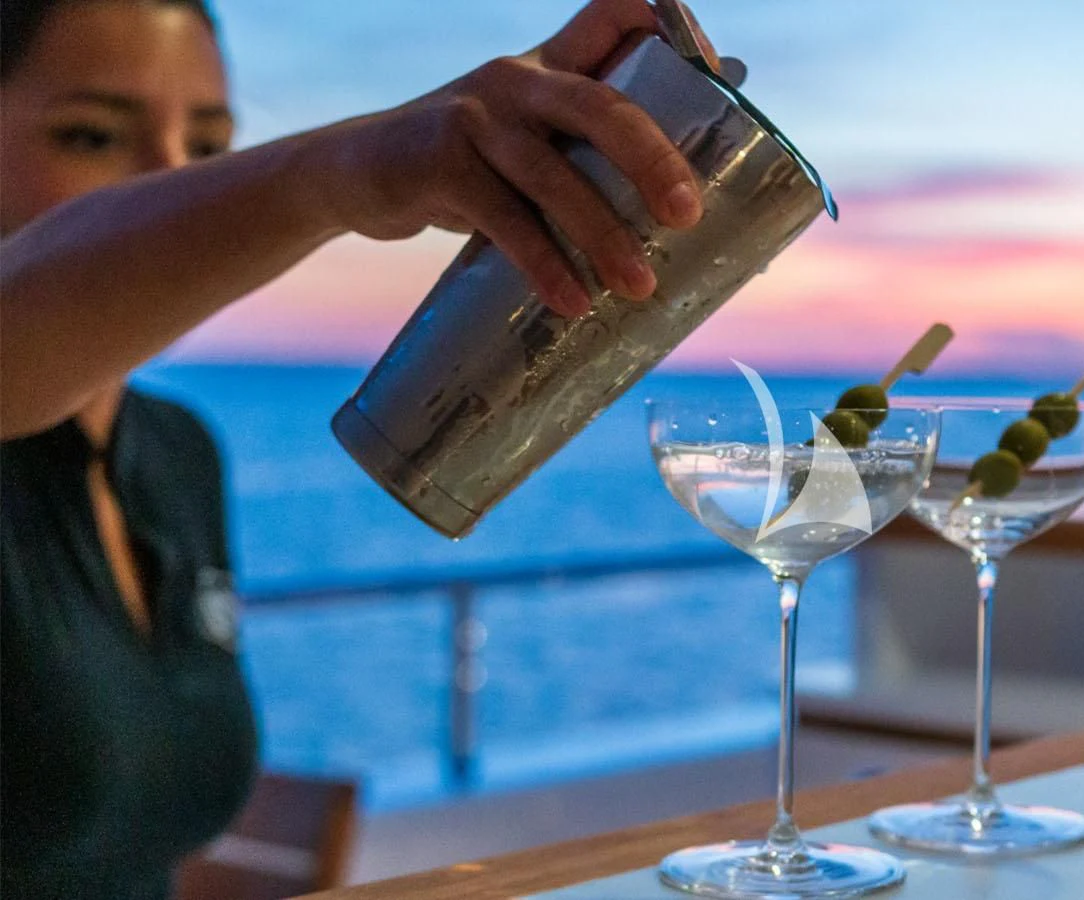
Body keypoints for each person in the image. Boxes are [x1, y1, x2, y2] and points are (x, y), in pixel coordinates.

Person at [0, 0, 713, 895]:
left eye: (211, 147)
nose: (170, 179)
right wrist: (344, 173)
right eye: (94, 136)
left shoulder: (176, 455)